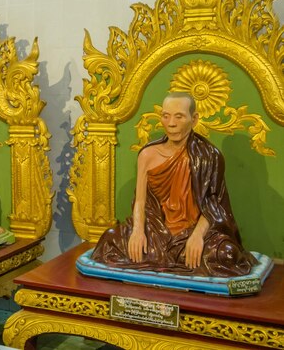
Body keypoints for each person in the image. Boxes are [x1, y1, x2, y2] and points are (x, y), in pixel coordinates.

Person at [91, 92, 257, 277]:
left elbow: (213, 206)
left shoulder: (209, 156)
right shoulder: (148, 154)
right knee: (110, 239)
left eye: (179, 116)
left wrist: (197, 236)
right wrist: (138, 231)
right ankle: (166, 257)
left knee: (226, 254)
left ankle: (168, 257)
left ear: (194, 119)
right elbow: (140, 201)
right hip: (156, 230)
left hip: (191, 231)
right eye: (165, 116)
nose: (171, 123)